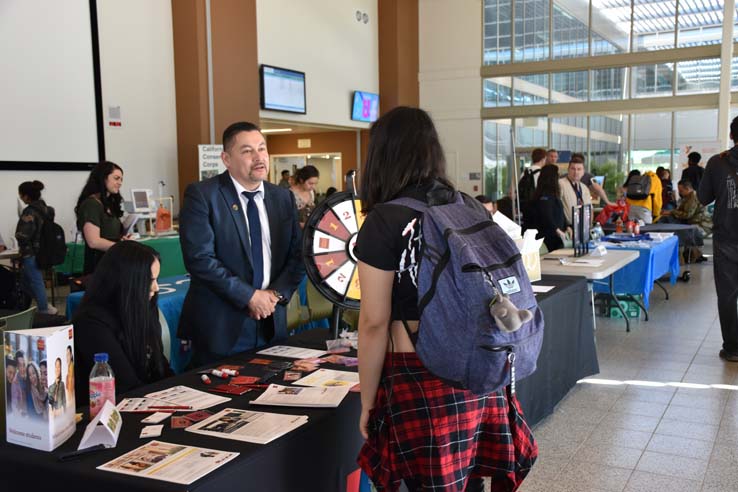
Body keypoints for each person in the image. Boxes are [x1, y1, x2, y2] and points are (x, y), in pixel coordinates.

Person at [355, 107, 534, 491]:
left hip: (417, 372)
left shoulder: (384, 220)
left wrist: (367, 401)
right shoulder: (466, 205)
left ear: (381, 156)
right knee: (470, 479)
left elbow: (372, 322)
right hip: (477, 368)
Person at [179, 121, 304, 365]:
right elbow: (200, 259)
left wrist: (274, 295)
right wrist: (249, 296)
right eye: (247, 151)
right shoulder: (203, 195)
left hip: (271, 319)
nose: (259, 157)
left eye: (262, 148)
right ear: (226, 159)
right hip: (222, 327)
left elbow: (297, 255)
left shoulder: (281, 197)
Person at [73, 241, 172, 399]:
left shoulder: (144, 305)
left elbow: (158, 362)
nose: (156, 288)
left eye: (157, 280)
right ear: (127, 281)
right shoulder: (91, 323)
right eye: (149, 281)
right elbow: (125, 385)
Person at [697, 119, 738, 362]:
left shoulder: (717, 162)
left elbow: (703, 198)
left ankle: (733, 348)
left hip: (726, 240)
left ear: (732, 135)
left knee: (727, 294)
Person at [75, 161, 131, 274]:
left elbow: (109, 235)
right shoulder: (91, 204)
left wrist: (122, 240)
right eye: (116, 178)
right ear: (103, 178)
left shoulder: (107, 204)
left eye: (121, 179)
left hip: (112, 262)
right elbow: (93, 241)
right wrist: (121, 247)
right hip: (99, 265)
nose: (120, 183)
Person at [15, 181, 57, 314]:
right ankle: (44, 304)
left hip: (30, 253)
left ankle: (44, 310)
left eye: (21, 194)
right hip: (44, 251)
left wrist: (18, 235)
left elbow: (23, 235)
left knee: (36, 281)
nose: (20, 197)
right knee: (25, 281)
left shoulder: (29, 212)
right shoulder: (47, 210)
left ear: (26, 196)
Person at [661, 179, 711, 261]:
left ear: (688, 189)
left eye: (681, 190)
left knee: (682, 231)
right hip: (691, 221)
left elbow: (687, 215)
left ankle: (692, 254)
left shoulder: (693, 197)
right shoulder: (688, 197)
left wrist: (671, 212)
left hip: (700, 223)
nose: (680, 193)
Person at [524, 165, 569, 252]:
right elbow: (547, 217)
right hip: (549, 239)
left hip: (556, 237)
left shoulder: (552, 196)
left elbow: (560, 214)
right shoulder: (544, 198)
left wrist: (567, 226)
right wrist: (558, 231)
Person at [559, 155, 592, 226]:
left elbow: (590, 209)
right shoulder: (561, 184)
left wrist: (589, 226)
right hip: (568, 227)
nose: (576, 172)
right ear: (568, 170)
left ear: (583, 172)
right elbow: (556, 208)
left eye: (579, 169)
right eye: (573, 169)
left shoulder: (584, 188)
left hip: (583, 226)